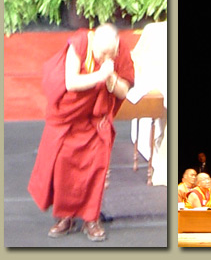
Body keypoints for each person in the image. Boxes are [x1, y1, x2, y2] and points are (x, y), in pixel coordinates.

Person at [28, 23, 134, 242]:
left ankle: (91, 219)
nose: (105, 57)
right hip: (71, 121)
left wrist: (111, 78)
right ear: (95, 43)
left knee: (95, 171)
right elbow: (71, 82)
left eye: (110, 54)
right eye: (102, 53)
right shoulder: (80, 44)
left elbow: (124, 90)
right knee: (63, 167)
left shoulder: (119, 51)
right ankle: (65, 217)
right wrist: (100, 76)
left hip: (96, 122)